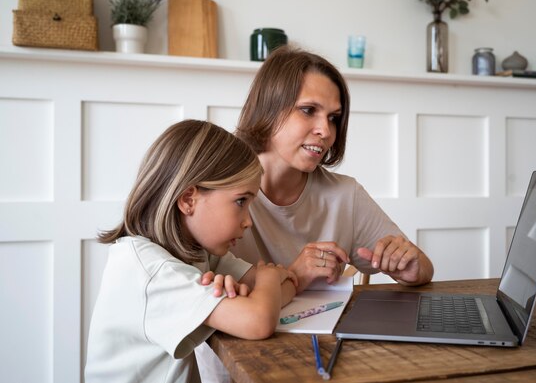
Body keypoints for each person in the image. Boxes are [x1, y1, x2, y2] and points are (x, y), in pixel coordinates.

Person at [85, 120, 297, 383]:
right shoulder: (152, 272)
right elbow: (259, 321)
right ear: (188, 200)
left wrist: (258, 294)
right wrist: (267, 280)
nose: (248, 221)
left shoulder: (198, 252)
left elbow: (285, 290)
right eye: (241, 201)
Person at [232, 46, 434, 292]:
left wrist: (411, 268)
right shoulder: (218, 188)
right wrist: (294, 276)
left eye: (333, 118)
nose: (326, 132)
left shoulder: (345, 194)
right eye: (308, 110)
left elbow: (423, 266)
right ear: (268, 109)